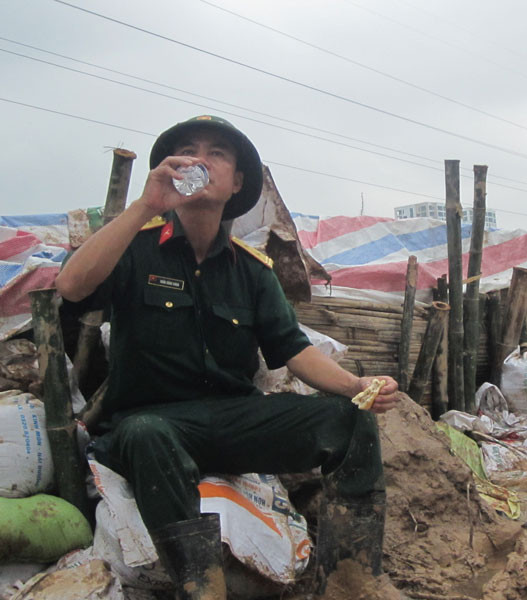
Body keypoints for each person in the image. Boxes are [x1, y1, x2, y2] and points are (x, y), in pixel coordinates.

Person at [55, 115, 404, 599]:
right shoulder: (135, 247)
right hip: (149, 423)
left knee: (350, 421)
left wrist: (358, 388)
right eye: (189, 150)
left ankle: (351, 578)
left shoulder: (253, 269)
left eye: (217, 153)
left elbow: (293, 351)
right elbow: (71, 286)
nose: (200, 159)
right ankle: (203, 588)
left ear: (237, 181)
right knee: (147, 433)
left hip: (234, 420)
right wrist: (144, 205)